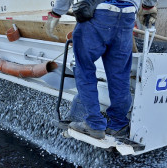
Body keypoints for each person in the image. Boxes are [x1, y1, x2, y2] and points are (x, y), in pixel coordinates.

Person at [46, 0, 158, 139]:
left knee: (84, 69)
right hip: (127, 15)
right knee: (120, 74)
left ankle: (94, 123)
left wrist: (57, 12)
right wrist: (148, 6)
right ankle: (118, 125)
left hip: (96, 12)